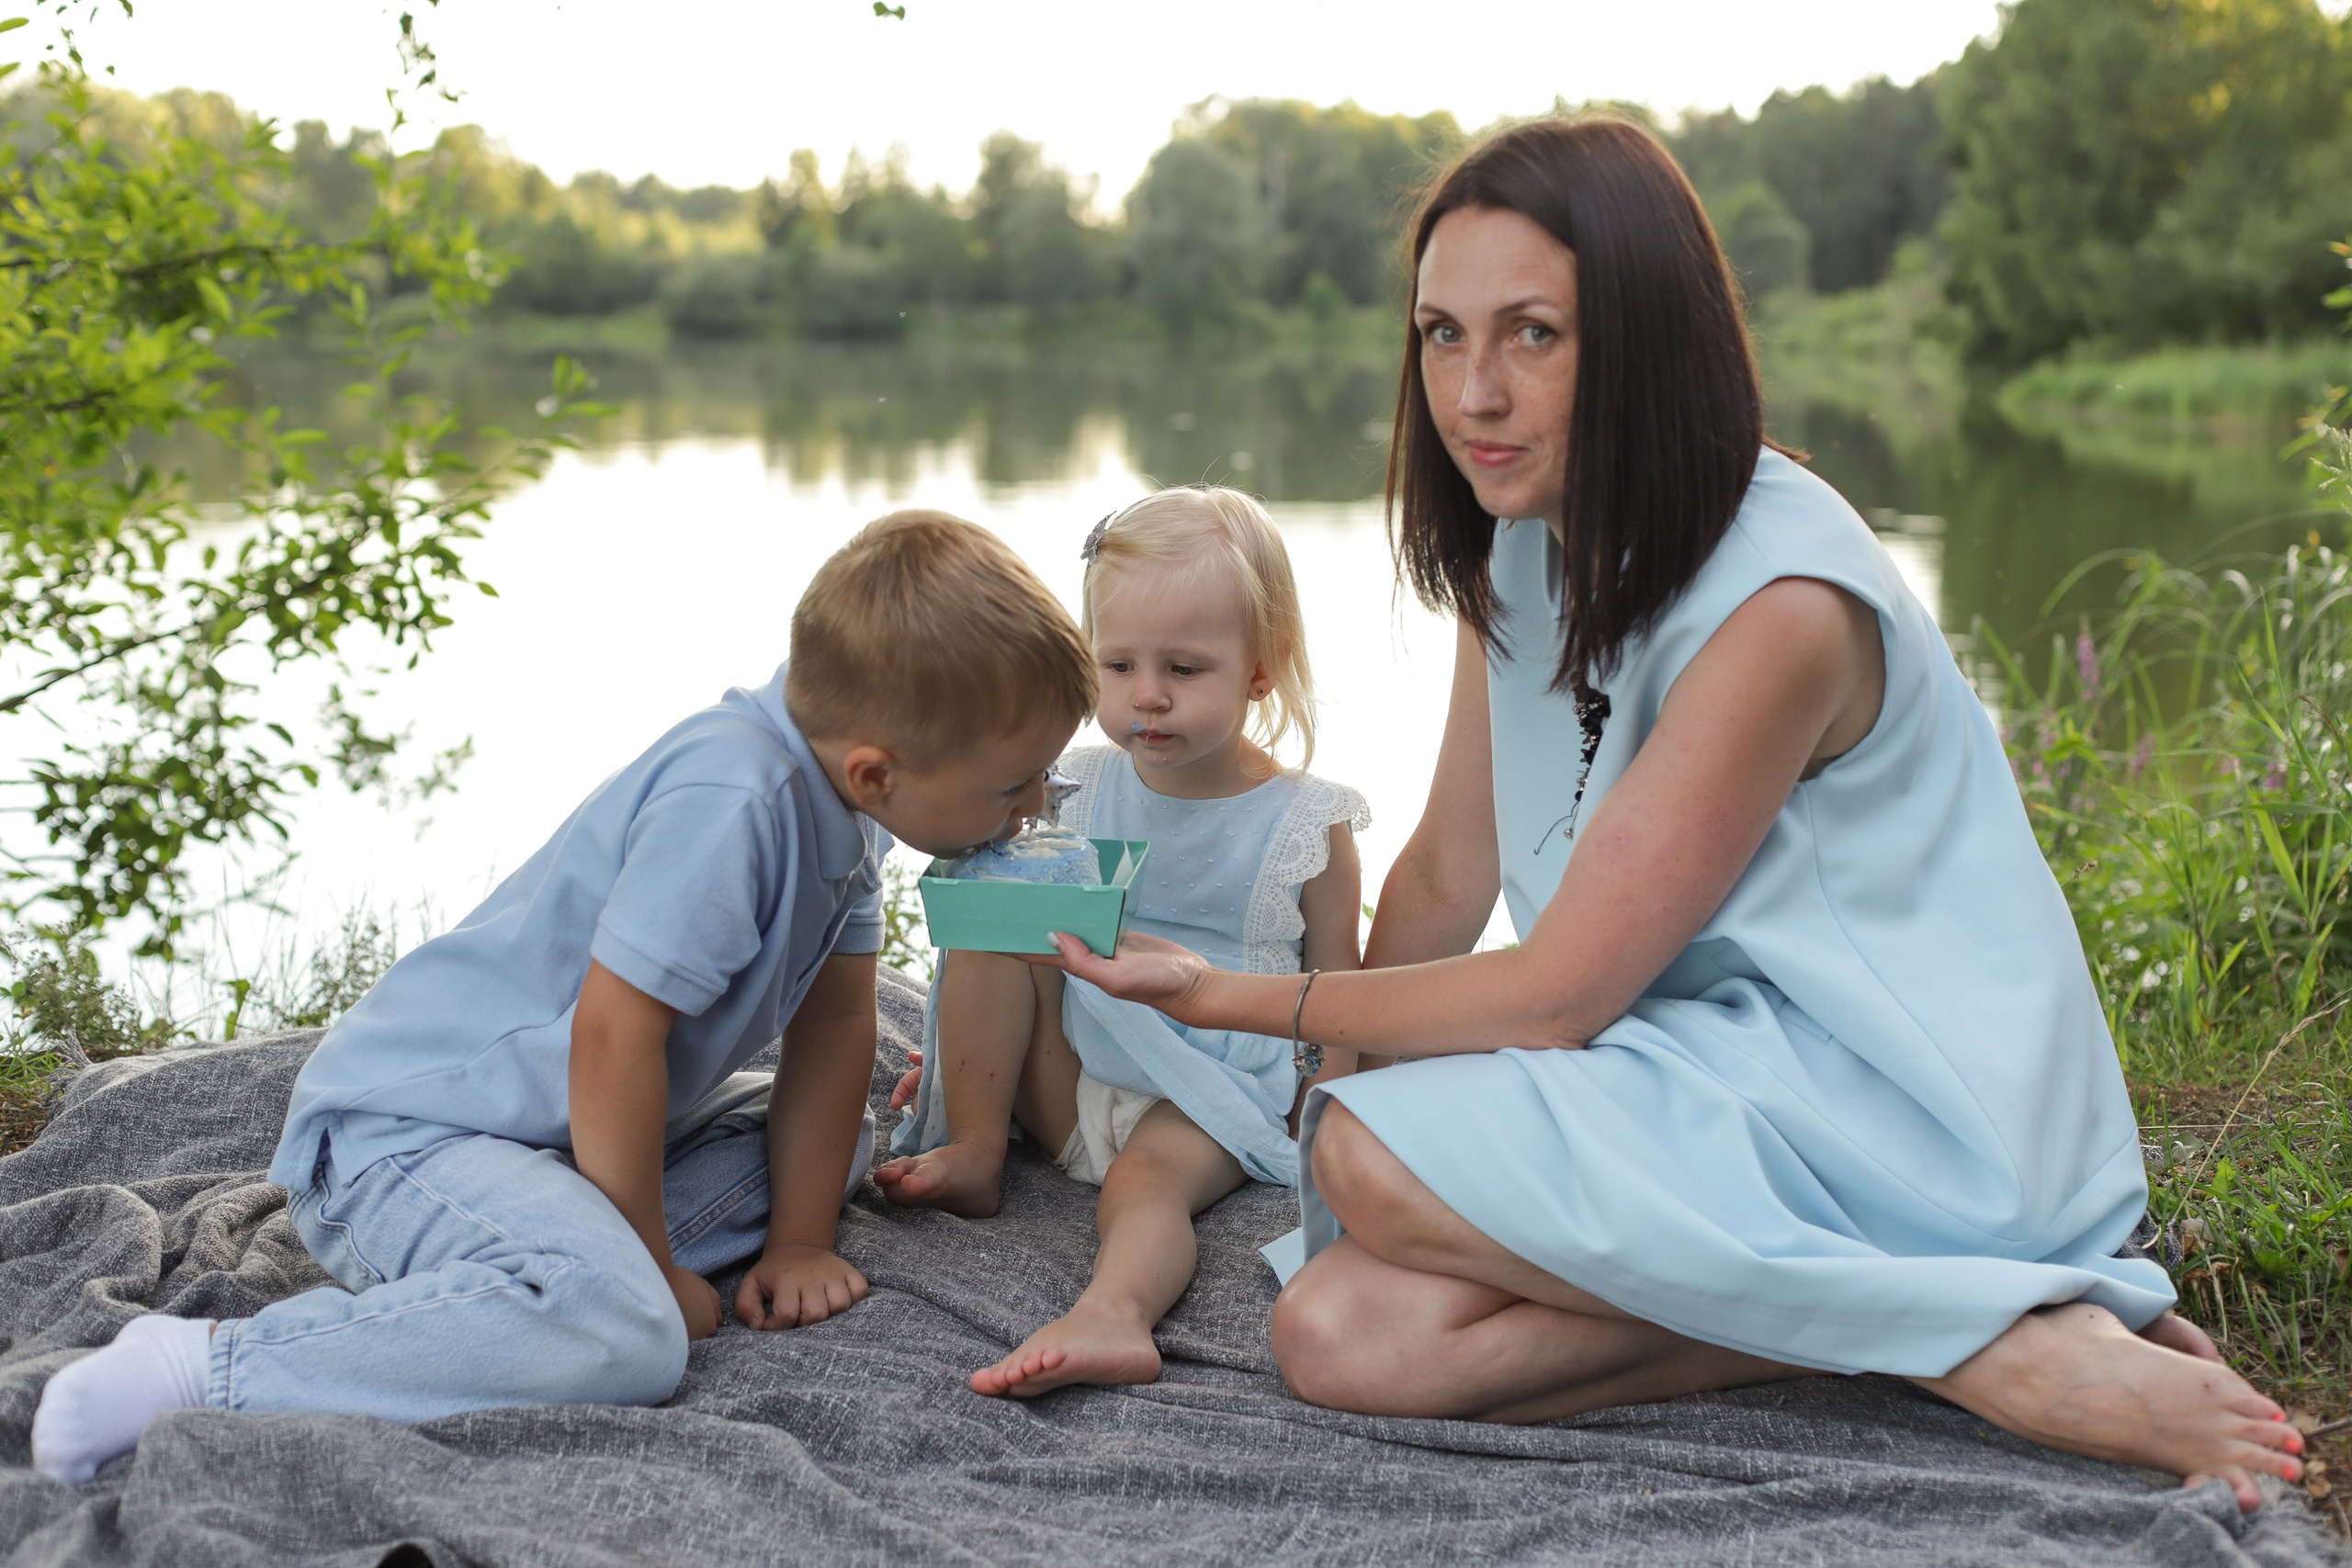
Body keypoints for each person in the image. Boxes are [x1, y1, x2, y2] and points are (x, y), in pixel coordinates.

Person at [1030, 120, 2306, 1511]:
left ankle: (1987, 1337)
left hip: (1902, 1103)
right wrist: (1345, 1058)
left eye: (1533, 335)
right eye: (1443, 336)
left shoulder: (1781, 603)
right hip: (1699, 1069)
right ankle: (1932, 1328)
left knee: (1362, 1151)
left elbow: (1562, 991)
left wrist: (1245, 1003)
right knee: (1337, 1332)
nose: (1475, 394)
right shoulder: (1521, 538)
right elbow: (1451, 869)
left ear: (1642, 335)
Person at [30, 511, 1096, 1486]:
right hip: (404, 1141)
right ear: (875, 772)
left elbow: (833, 1024)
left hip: (547, 1143)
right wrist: (649, 1264)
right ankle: (204, 1366)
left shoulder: (844, 795)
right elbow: (611, 1041)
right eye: (1015, 785)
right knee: (629, 1333)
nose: (1034, 804)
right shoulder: (733, 803)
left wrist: (801, 1243)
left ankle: (509, 1289)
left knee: (828, 1141)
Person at [876, 487, 1368, 1398]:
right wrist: (968, 1062)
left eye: (1184, 668)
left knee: (1140, 1184)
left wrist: (1329, 1106)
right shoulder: (1073, 786)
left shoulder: (1305, 820)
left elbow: (1338, 979)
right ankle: (977, 1147)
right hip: (1081, 1061)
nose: (1146, 696)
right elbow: (1012, 939)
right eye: (1117, 665)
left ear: (1261, 669)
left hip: (1209, 1087)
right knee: (1002, 927)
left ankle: (1114, 1314)